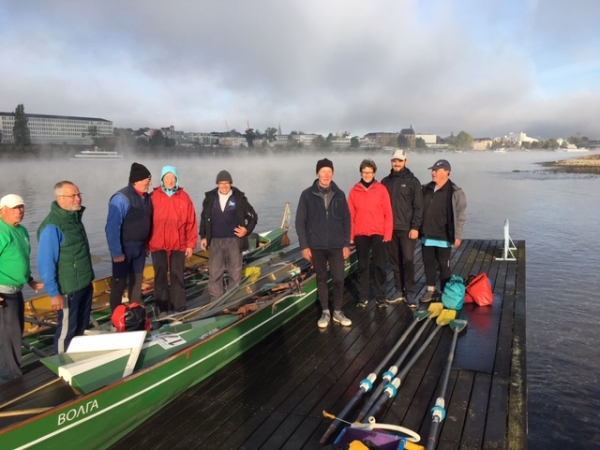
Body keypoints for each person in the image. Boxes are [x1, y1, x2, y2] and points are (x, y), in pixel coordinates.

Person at [37, 182, 94, 354]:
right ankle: (61, 365)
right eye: (73, 196)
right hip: (69, 289)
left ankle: (77, 358)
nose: (78, 198)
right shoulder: (52, 226)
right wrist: (54, 293)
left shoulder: (74, 218)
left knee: (82, 326)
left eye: (78, 194)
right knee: (66, 331)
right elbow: (45, 263)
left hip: (84, 283)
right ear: (59, 198)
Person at [296, 158, 352, 329]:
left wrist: (346, 244)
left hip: (336, 245)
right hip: (316, 245)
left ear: (332, 173)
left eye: (329, 171)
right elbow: (300, 222)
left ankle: (337, 311)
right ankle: (325, 312)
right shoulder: (307, 195)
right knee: (321, 279)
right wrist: (305, 246)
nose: (326, 174)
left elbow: (346, 220)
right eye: (323, 171)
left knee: (338, 279)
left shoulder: (340, 194)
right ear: (317, 173)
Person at [0, 195, 43, 383]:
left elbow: (21, 260)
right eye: (14, 208)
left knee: (17, 332)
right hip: (3, 293)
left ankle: (12, 371)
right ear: (2, 210)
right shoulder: (2, 231)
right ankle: (10, 379)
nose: (19, 211)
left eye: (21, 207)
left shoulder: (23, 230)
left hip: (16, 290)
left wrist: (30, 280)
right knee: (8, 337)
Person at [199, 170, 257, 301]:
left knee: (235, 272)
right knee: (215, 273)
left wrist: (246, 230)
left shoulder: (239, 198)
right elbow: (204, 218)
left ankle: (233, 301)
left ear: (231, 184)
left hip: (234, 241)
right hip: (215, 241)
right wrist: (203, 236)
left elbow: (253, 217)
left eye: (227, 183)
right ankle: (217, 301)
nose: (224, 186)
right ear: (217, 184)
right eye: (221, 183)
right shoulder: (209, 199)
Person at [149, 166, 198, 317]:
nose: (170, 181)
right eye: (167, 178)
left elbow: (191, 222)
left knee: (177, 275)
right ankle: (162, 308)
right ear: (162, 179)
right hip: (158, 244)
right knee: (160, 276)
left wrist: (190, 244)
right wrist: (145, 244)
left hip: (179, 244)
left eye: (172, 178)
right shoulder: (153, 197)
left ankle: (179, 308)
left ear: (176, 179)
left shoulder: (184, 197)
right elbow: (145, 222)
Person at [105, 162, 153, 312]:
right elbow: (112, 227)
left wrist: (146, 245)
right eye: (147, 179)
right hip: (124, 249)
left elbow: (147, 222)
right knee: (120, 283)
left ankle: (134, 312)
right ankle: (116, 316)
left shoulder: (146, 198)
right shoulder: (121, 198)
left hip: (139, 248)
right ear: (137, 181)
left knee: (137, 281)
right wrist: (116, 252)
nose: (150, 183)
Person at [348, 159, 393, 309]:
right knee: (362, 266)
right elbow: (350, 214)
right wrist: (350, 235)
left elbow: (388, 213)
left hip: (378, 232)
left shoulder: (381, 189)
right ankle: (363, 297)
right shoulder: (354, 190)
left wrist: (388, 234)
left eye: (370, 172)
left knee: (379, 265)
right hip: (361, 232)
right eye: (364, 172)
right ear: (361, 172)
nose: (367, 175)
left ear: (374, 173)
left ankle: (381, 297)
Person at [420, 159, 467, 302]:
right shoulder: (425, 188)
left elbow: (460, 215)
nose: (433, 173)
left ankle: (445, 292)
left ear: (447, 172)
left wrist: (457, 235)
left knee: (443, 265)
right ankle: (431, 290)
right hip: (427, 234)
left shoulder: (456, 191)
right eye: (432, 170)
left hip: (445, 236)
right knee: (428, 263)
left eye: (437, 170)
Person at [381, 149, 423, 308]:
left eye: (399, 160)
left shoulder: (413, 181)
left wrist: (415, 226)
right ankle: (399, 290)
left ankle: (410, 292)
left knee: (408, 259)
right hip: (390, 229)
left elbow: (419, 206)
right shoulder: (385, 182)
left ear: (406, 161)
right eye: (394, 161)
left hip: (407, 229)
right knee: (394, 261)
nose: (396, 163)